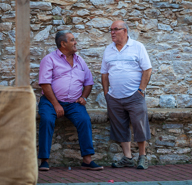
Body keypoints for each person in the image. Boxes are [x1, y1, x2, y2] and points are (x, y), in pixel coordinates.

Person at [38, 30, 103, 171]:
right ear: (63, 44)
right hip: (50, 102)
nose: (76, 43)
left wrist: (84, 97)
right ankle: (44, 160)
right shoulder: (49, 59)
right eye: (72, 40)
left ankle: (87, 160)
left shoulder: (80, 60)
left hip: (74, 103)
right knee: (47, 120)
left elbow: (89, 81)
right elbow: (45, 84)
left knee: (84, 120)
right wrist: (56, 104)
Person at [101, 20, 152, 169]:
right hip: (114, 97)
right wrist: (106, 94)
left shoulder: (137, 47)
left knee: (140, 125)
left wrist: (141, 90)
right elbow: (104, 74)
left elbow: (147, 70)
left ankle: (143, 157)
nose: (112, 32)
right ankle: (127, 157)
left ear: (125, 31)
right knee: (120, 126)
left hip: (134, 96)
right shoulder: (108, 49)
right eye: (111, 29)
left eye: (116, 29)